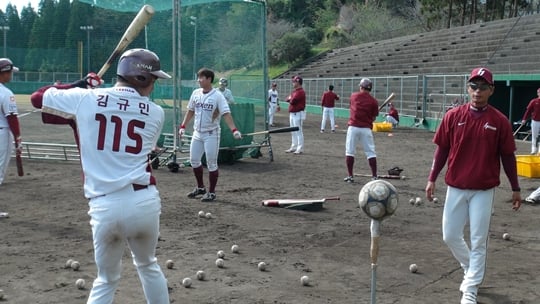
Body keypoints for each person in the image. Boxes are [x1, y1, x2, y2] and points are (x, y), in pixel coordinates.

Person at [30, 48, 171, 304]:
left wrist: (77, 85)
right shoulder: (156, 113)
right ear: (141, 79)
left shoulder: (85, 98)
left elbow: (37, 99)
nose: (154, 84)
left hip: (104, 206)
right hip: (143, 203)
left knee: (106, 280)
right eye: (153, 79)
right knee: (148, 265)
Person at [425, 67, 521, 304]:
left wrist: (515, 187)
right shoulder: (453, 116)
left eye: (483, 87)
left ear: (491, 90)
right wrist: (431, 178)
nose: (478, 91)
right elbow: (442, 150)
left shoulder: (499, 121)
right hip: (455, 186)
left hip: (484, 190)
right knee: (450, 235)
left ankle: (470, 288)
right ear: (468, 88)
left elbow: (508, 156)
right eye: (474, 86)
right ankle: (471, 269)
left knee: (479, 240)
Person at [179, 68, 242, 202]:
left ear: (209, 79)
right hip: (197, 133)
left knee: (211, 163)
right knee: (194, 160)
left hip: (211, 133)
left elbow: (226, 113)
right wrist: (183, 126)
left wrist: (234, 130)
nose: (199, 80)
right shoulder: (196, 93)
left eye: (201, 78)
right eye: (198, 77)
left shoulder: (218, 95)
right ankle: (201, 187)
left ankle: (212, 192)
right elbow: (190, 110)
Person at [343, 78, 379, 183]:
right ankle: (374, 176)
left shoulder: (354, 96)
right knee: (370, 152)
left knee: (350, 151)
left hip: (353, 127)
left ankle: (350, 176)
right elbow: (374, 117)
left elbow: (353, 108)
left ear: (361, 87)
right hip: (366, 129)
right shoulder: (374, 101)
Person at [0, 58, 22, 188]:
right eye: (10, 72)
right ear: (4, 73)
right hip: (2, 133)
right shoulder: (6, 94)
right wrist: (18, 139)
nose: (11, 74)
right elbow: (12, 118)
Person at [284, 76, 306, 154]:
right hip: (293, 113)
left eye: (294, 82)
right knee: (293, 131)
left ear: (298, 82)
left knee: (298, 131)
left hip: (298, 113)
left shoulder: (301, 92)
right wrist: (290, 98)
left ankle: (300, 148)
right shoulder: (294, 91)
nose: (293, 83)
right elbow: (287, 99)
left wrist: (290, 98)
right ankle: (294, 146)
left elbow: (292, 101)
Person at [520, 88, 540, 154]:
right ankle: (534, 149)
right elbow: (528, 111)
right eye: (539, 92)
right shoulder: (533, 101)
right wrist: (524, 119)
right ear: (537, 93)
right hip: (535, 121)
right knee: (535, 136)